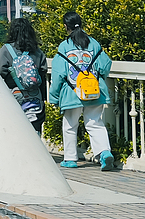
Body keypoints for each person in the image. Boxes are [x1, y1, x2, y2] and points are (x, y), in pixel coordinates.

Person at [48, 13, 116, 170]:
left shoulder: (64, 47)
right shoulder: (93, 43)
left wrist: (54, 96)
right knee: (95, 123)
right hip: (94, 90)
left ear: (66, 26)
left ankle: (71, 159)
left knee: (70, 125)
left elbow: (58, 74)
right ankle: (104, 153)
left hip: (72, 92)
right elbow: (105, 64)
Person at [0, 17, 47, 135]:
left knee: (15, 127)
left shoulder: (6, 50)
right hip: (35, 95)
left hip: (14, 93)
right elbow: (43, 72)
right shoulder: (37, 51)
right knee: (35, 127)